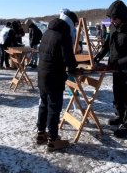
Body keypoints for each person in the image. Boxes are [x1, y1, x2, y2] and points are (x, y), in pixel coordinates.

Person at [94, 0, 127, 138]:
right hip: (116, 69)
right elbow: (106, 45)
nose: (112, 21)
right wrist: (96, 58)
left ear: (122, 16)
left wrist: (119, 63)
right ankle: (120, 116)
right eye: (110, 18)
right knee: (118, 95)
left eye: (114, 18)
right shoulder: (113, 27)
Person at [36, 10, 79, 152]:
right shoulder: (64, 35)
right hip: (54, 77)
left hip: (42, 74)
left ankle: (41, 133)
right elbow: (68, 58)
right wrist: (74, 69)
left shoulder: (48, 32)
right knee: (54, 108)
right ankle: (53, 140)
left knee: (44, 104)